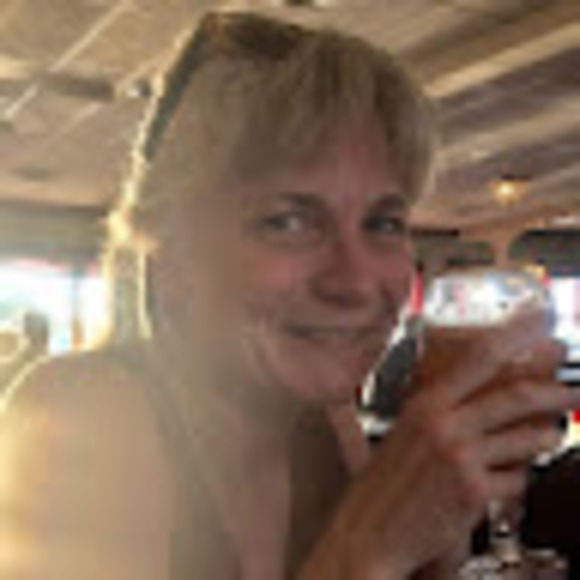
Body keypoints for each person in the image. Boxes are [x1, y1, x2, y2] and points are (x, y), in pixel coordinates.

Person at [0, 10, 578, 580]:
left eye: (382, 223)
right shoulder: (81, 417)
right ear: (170, 250)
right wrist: (368, 545)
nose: (354, 282)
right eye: (288, 222)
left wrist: (444, 503)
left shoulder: (327, 423)